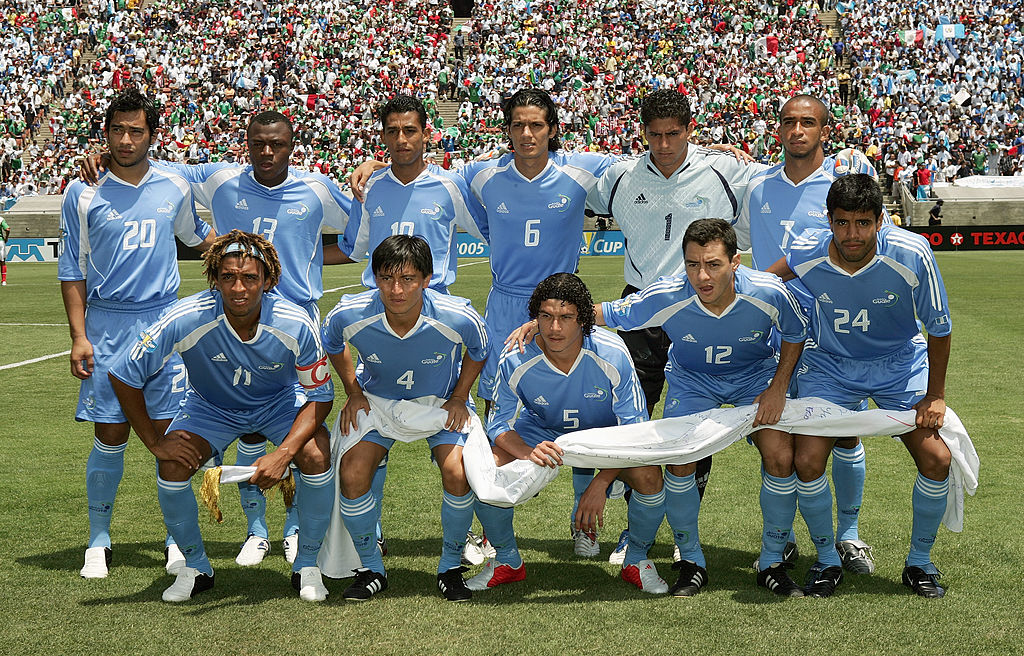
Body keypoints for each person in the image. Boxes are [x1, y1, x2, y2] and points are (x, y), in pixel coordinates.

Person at [82, 110, 352, 566]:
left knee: (296, 433)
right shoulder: (220, 179)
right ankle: (256, 531)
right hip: (227, 314)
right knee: (245, 428)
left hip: (294, 320)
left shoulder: (318, 188)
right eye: (258, 143)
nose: (268, 152)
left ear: (293, 145)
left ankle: (294, 530)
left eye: (278, 144)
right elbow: (156, 168)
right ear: (246, 143)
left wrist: (368, 171)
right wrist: (107, 155)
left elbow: (357, 235)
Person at [108, 230, 335, 603]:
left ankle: (307, 564)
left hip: (279, 403)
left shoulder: (296, 322)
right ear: (215, 279)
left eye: (249, 277)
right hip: (209, 407)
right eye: (228, 277)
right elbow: (123, 373)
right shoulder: (186, 316)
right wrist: (154, 441)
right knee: (173, 466)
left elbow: (320, 396)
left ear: (269, 280)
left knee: (315, 453)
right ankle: (196, 567)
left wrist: (284, 453)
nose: (238, 288)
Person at [585, 89, 760, 560]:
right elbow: (560, 175)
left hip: (699, 307)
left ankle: (685, 533)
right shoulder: (619, 176)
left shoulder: (726, 170)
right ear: (642, 132)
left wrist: (847, 156)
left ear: (690, 130)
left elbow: (789, 180)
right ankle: (632, 527)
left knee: (689, 423)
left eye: (674, 134)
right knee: (629, 418)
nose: (663, 144)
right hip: (639, 309)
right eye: (654, 135)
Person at [596, 219, 808, 597]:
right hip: (693, 380)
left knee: (780, 453)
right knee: (680, 459)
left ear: (735, 262)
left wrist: (777, 388)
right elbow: (608, 313)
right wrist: (544, 319)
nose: (702, 275)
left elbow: (795, 332)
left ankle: (773, 561)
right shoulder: (666, 293)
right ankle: (692, 561)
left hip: (754, 377)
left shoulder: (768, 291)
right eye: (692, 264)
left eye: (713, 264)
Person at [768, 174, 954, 598]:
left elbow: (940, 328)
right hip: (830, 366)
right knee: (808, 462)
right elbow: (766, 284)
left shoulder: (912, 252)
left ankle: (919, 563)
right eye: (842, 222)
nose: (852, 234)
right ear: (829, 221)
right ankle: (828, 559)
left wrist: (936, 394)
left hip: (899, 365)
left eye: (863, 223)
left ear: (881, 220)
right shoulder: (807, 251)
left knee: (937, 459)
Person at [58, 88, 215, 580]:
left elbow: (199, 238)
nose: (126, 140)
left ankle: (176, 538)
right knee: (111, 432)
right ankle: (99, 540)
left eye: (136, 130)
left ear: (153, 135)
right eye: (117, 130)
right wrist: (79, 336)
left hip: (165, 323)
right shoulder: (81, 192)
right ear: (105, 133)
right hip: (107, 326)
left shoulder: (175, 184)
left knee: (173, 432)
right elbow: (72, 270)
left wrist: (247, 252)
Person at [735, 95, 879, 574]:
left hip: (834, 333)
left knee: (841, 437)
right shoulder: (759, 188)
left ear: (824, 130)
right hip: (774, 333)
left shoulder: (844, 185)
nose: (798, 130)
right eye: (789, 122)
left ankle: (849, 536)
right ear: (778, 130)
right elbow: (751, 256)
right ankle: (784, 537)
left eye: (808, 122)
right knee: (778, 436)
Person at [467, 273, 668, 594]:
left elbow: (636, 432)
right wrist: (526, 454)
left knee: (648, 474)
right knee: (485, 466)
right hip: (542, 432)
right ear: (535, 318)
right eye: (546, 316)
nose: (555, 328)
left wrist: (600, 483)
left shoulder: (612, 353)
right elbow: (498, 424)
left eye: (566, 317)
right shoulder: (516, 354)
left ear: (584, 320)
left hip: (602, 436)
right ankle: (506, 560)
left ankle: (637, 559)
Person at [321, 235, 488, 602]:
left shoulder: (456, 315)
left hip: (439, 401)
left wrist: (460, 396)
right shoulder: (349, 313)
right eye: (386, 278)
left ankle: (449, 567)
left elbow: (480, 349)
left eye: (408, 279)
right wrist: (353, 391)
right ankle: (370, 568)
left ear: (427, 278)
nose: (396, 290)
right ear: (373, 277)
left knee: (458, 472)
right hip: (378, 401)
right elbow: (333, 342)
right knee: (351, 472)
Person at [0, 214, 9, 285]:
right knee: (2, 261)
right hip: (0, 242)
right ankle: (3, 280)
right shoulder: (1, 219)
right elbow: (7, 229)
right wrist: (6, 237)